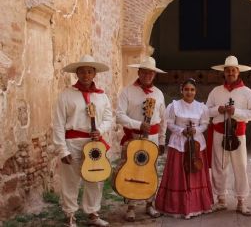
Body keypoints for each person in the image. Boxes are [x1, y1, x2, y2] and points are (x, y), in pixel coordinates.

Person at [53, 54, 112, 227]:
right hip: (73, 143)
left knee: (95, 178)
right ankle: (70, 214)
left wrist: (100, 130)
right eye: (82, 72)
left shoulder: (102, 96)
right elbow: (58, 123)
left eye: (89, 71)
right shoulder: (66, 95)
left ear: (94, 74)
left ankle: (92, 212)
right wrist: (62, 149)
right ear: (76, 74)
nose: (86, 75)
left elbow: (109, 118)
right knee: (70, 181)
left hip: (95, 144)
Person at [206, 55, 251, 216]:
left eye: (233, 70)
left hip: (238, 134)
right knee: (219, 166)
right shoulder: (216, 91)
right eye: (228, 70)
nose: (230, 73)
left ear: (238, 72)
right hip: (219, 133)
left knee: (240, 167)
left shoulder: (246, 91)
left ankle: (241, 201)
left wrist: (236, 112)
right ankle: (221, 200)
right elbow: (206, 111)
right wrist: (218, 110)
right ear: (224, 72)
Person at [116, 56, 167, 222]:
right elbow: (119, 116)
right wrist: (138, 124)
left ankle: (149, 204)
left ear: (154, 75)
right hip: (133, 137)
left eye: (150, 73)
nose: (147, 76)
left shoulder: (158, 94)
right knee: (131, 170)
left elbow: (163, 120)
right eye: (144, 72)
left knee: (150, 170)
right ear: (139, 72)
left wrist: (161, 141)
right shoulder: (127, 91)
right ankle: (131, 206)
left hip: (152, 138)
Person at [155, 78, 214, 219]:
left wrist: (196, 131)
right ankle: (178, 206)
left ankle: (196, 205)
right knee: (178, 173)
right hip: (178, 143)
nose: (189, 92)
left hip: (196, 143)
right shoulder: (173, 106)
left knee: (195, 172)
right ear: (182, 90)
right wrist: (182, 131)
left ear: (196, 91)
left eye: (192, 89)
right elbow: (169, 123)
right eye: (186, 89)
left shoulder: (202, 107)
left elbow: (205, 124)